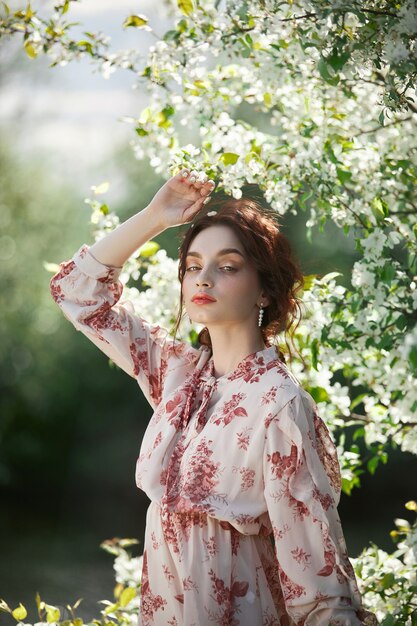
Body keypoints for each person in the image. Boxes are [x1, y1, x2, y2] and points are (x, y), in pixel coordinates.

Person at [50, 167, 376, 626]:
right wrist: (155, 217)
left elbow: (318, 583)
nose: (203, 280)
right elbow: (76, 292)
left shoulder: (280, 406)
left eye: (226, 267)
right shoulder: (177, 374)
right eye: (192, 267)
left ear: (264, 289)